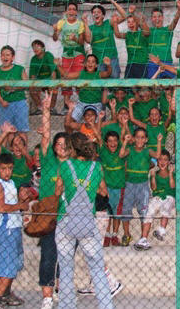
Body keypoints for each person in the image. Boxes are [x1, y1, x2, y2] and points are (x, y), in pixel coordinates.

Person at [54, 132, 113, 309]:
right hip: (87, 221)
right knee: (97, 268)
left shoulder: (65, 166)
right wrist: (89, 187)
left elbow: (57, 192)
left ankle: (67, 306)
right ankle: (106, 306)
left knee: (66, 267)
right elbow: (104, 192)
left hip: (66, 219)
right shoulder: (96, 167)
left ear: (72, 148)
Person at [37, 93, 69, 309]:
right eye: (58, 143)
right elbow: (46, 135)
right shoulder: (48, 160)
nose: (60, 146)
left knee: (64, 257)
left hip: (66, 218)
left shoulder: (73, 165)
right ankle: (47, 297)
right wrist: (46, 110)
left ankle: (59, 290)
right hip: (48, 217)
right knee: (48, 256)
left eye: (64, 144)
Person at [0, 153, 30, 309]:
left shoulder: (11, 182)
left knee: (14, 263)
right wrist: (20, 205)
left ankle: (6, 294)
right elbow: (1, 208)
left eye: (10, 168)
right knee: (7, 263)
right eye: (4, 168)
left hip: (15, 227)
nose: (7, 172)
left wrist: (22, 200)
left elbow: (13, 204)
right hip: (6, 229)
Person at [118, 127, 162, 248]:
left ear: (146, 139)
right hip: (129, 184)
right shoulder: (130, 149)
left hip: (143, 185)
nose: (140, 140)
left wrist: (159, 141)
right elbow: (121, 154)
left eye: (142, 138)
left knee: (144, 210)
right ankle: (126, 234)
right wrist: (125, 141)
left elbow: (158, 155)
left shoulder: (147, 151)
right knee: (126, 209)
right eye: (137, 137)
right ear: (134, 138)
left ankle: (143, 237)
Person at [52, 2, 88, 113]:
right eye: (69, 9)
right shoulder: (61, 22)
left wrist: (75, 39)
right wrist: (55, 31)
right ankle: (66, 105)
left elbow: (82, 41)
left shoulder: (80, 24)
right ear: (66, 12)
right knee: (65, 78)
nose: (71, 11)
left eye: (74, 9)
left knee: (79, 78)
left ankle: (83, 102)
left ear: (76, 12)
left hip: (78, 52)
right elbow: (55, 38)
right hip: (66, 53)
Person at [57, 54, 112, 124]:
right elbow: (66, 75)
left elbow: (108, 73)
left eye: (93, 62)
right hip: (82, 103)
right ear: (85, 64)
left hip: (96, 104)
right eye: (88, 61)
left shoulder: (99, 74)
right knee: (68, 122)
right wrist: (58, 65)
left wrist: (108, 65)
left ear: (96, 65)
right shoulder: (81, 74)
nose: (90, 63)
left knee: (97, 125)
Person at [0, 45, 29, 145]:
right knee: (8, 131)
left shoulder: (20, 69)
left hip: (19, 103)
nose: (5, 57)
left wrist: (13, 88)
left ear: (13, 57)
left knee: (22, 130)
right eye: (3, 55)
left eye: (8, 55)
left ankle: (23, 152)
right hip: (5, 104)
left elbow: (26, 84)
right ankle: (11, 152)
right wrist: (1, 101)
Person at [96, 130, 126, 247]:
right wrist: (93, 125)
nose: (113, 143)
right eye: (110, 141)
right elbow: (98, 137)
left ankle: (114, 235)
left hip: (119, 188)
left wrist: (124, 126)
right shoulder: (103, 152)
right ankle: (107, 235)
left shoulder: (121, 153)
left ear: (118, 142)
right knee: (107, 213)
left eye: (115, 141)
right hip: (107, 188)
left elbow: (123, 136)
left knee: (117, 213)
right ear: (106, 143)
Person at [140, 149, 176, 246]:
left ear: (169, 162)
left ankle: (161, 230)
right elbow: (154, 188)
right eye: (160, 159)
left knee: (166, 206)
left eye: (165, 160)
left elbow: (172, 186)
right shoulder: (155, 174)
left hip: (169, 197)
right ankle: (143, 239)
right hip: (157, 197)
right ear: (157, 161)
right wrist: (153, 177)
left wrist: (170, 174)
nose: (162, 162)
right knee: (149, 211)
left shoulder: (173, 174)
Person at [85, 0, 125, 78]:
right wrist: (85, 22)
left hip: (112, 59)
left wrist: (112, 1)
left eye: (98, 12)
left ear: (103, 16)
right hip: (98, 61)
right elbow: (88, 40)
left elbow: (124, 16)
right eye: (94, 12)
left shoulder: (108, 23)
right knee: (101, 84)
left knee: (114, 82)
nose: (96, 14)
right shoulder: (90, 28)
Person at [146, 0, 180, 78]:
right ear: (151, 19)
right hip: (152, 64)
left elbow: (175, 21)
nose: (157, 19)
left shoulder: (167, 30)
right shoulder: (148, 31)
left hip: (167, 62)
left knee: (171, 83)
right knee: (153, 84)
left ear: (162, 18)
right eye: (154, 17)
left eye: (159, 16)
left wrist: (179, 10)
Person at [112, 5, 150, 79]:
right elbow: (117, 35)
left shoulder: (142, 34)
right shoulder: (128, 35)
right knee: (128, 85)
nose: (131, 24)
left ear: (137, 23)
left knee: (142, 84)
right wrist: (115, 23)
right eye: (128, 22)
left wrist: (133, 13)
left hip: (141, 64)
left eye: (133, 22)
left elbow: (147, 32)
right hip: (130, 64)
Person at [28, 39, 59, 115]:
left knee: (54, 87)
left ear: (43, 48)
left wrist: (52, 84)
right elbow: (32, 76)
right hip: (41, 82)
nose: (35, 49)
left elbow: (53, 72)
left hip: (51, 80)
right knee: (31, 88)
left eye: (37, 46)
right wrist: (33, 85)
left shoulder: (48, 55)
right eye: (33, 47)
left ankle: (51, 108)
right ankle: (40, 108)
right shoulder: (33, 59)